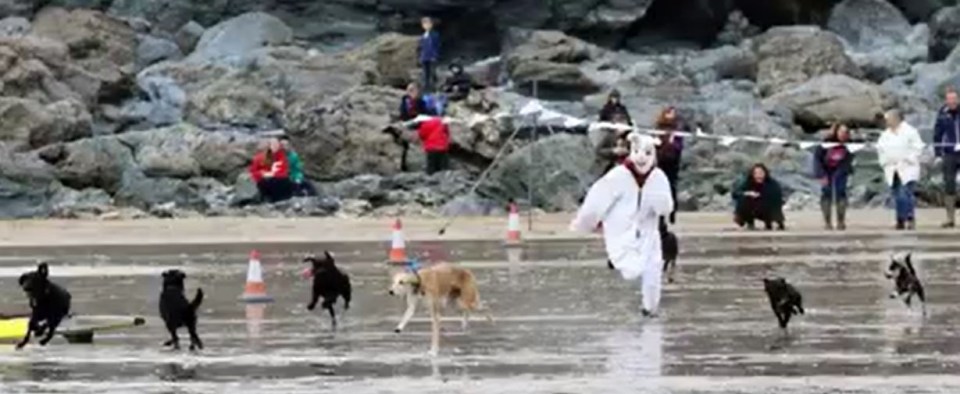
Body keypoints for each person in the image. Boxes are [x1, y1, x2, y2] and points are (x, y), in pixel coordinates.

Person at [570, 133, 674, 318]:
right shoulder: (618, 176)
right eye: (637, 152)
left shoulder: (658, 178)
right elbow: (596, 200)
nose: (642, 158)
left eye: (648, 153)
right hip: (621, 228)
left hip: (649, 230)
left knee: (653, 267)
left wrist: (659, 204)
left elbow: (666, 206)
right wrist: (585, 223)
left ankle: (650, 308)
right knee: (631, 269)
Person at [878, 109, 924, 230]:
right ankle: (900, 219)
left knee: (905, 194)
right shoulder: (885, 134)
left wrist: (908, 159)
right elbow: (880, 149)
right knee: (897, 195)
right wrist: (885, 162)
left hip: (907, 168)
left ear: (897, 118)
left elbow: (918, 148)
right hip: (892, 168)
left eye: (889, 118)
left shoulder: (910, 131)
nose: (887, 121)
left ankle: (909, 218)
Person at [813, 123, 855, 230]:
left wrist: (841, 172)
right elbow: (817, 159)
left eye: (846, 132)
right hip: (826, 169)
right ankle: (827, 222)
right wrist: (821, 174)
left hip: (841, 169)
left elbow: (848, 160)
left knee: (841, 193)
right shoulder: (826, 143)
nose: (843, 135)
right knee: (826, 193)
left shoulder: (850, 145)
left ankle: (841, 220)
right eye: (841, 132)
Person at [934, 88, 960, 228]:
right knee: (949, 184)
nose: (952, 102)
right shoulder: (942, 114)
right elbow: (937, 134)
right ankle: (950, 218)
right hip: (949, 152)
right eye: (949, 99)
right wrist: (937, 153)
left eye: (954, 99)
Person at [732, 164, 785, 231]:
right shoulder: (749, 182)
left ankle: (771, 224)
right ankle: (749, 223)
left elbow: (777, 200)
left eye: (760, 173)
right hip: (754, 207)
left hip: (769, 209)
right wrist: (747, 193)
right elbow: (736, 193)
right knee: (744, 199)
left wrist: (760, 196)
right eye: (755, 173)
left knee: (771, 208)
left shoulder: (772, 184)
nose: (758, 175)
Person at [655, 107, 684, 225]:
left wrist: (672, 143)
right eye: (669, 113)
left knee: (672, 187)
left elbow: (679, 146)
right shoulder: (658, 128)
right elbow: (656, 143)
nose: (671, 115)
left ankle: (672, 212)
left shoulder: (677, 130)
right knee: (659, 188)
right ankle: (660, 214)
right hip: (661, 161)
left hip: (673, 162)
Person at [249, 137, 294, 203]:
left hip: (278, 179)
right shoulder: (259, 157)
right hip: (264, 180)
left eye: (277, 145)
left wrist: (273, 174)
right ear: (269, 146)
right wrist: (262, 174)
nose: (275, 147)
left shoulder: (282, 157)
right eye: (273, 145)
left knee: (285, 181)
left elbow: (284, 172)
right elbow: (253, 171)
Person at [418, 17, 441, 92]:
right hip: (424, 57)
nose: (426, 25)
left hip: (432, 57)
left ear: (431, 24)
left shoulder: (435, 35)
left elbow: (437, 46)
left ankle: (433, 88)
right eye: (424, 24)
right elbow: (421, 47)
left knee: (432, 73)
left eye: (428, 23)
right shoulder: (423, 36)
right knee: (425, 74)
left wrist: (435, 55)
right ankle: (425, 88)